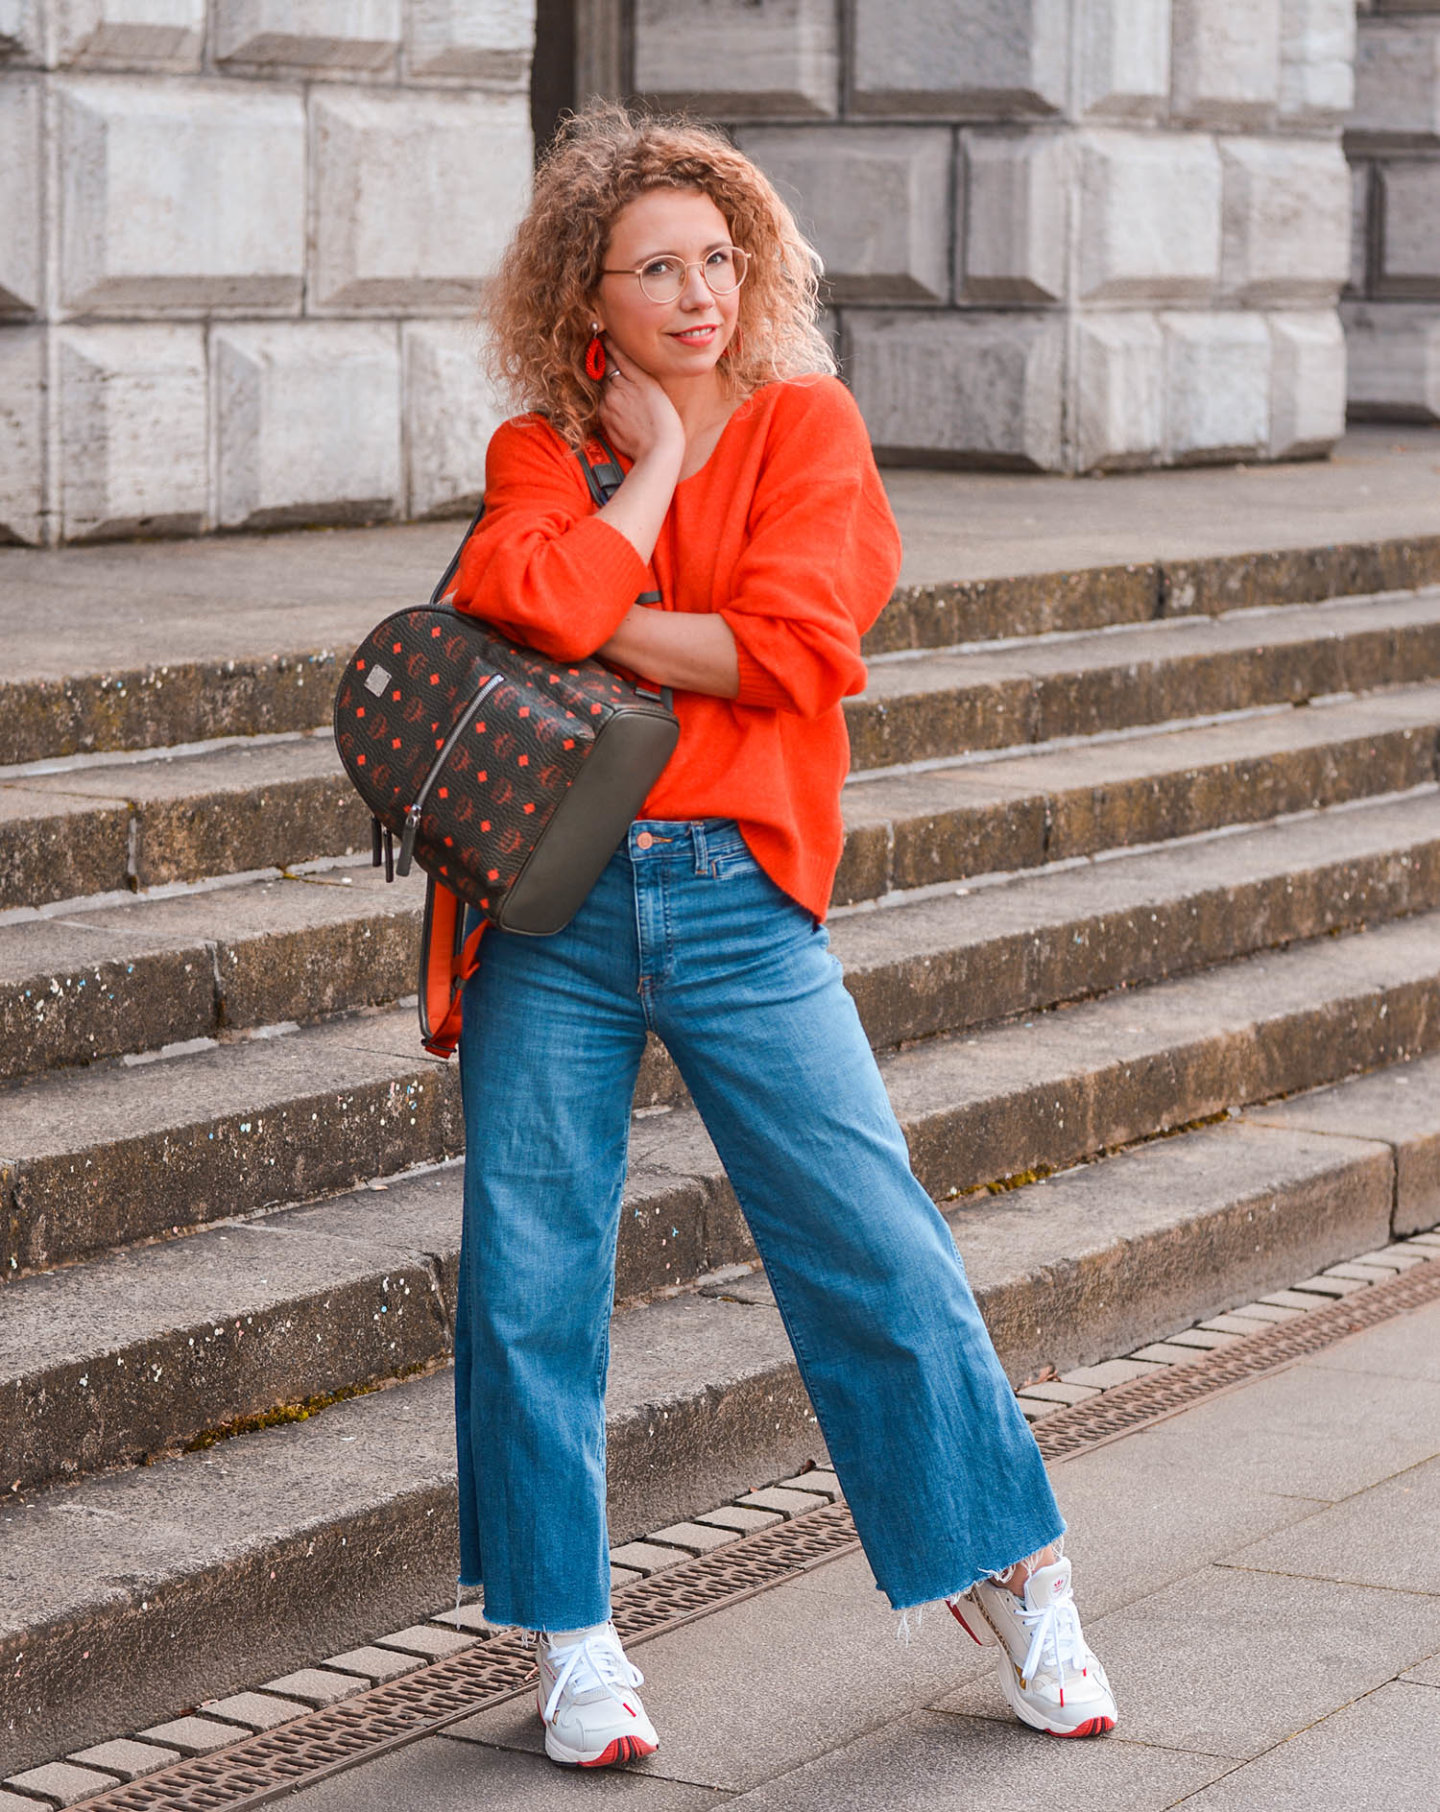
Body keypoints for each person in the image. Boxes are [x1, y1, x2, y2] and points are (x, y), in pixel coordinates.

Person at [448, 102, 1117, 1769]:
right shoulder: (546, 452)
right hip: (558, 905)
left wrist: (625, 609)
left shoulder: (810, 425)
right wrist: (653, 471)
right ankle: (574, 1640)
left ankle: (1019, 1578)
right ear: (582, 301)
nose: (697, 295)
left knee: (879, 1253)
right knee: (532, 1285)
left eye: (719, 260)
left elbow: (796, 648)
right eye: (654, 269)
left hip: (740, 894)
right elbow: (522, 606)